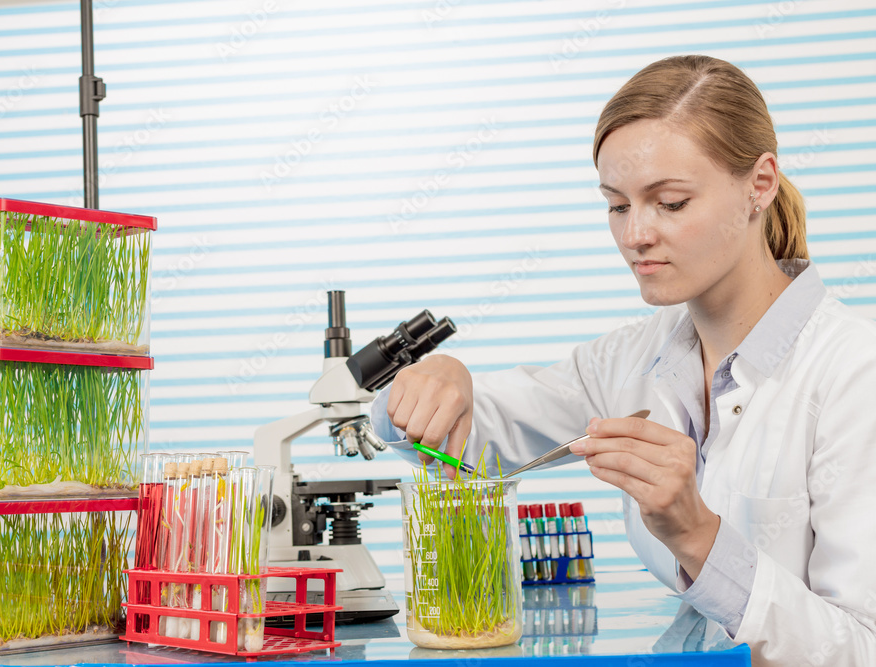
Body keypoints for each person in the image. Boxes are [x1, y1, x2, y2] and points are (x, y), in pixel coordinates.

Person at [370, 55, 876, 666]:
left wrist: (695, 535)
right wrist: (434, 384)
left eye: (670, 202)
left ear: (760, 184)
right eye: (617, 205)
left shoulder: (854, 373)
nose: (636, 234)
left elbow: (861, 649)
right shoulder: (631, 356)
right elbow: (477, 441)